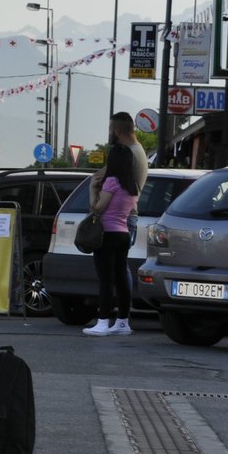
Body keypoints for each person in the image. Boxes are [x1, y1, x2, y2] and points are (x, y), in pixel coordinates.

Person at [84, 142, 140, 336]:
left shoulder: (112, 182)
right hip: (123, 233)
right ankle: (123, 322)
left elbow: (97, 208)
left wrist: (92, 188)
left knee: (105, 280)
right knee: (121, 279)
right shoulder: (133, 185)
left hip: (107, 234)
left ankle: (102, 323)